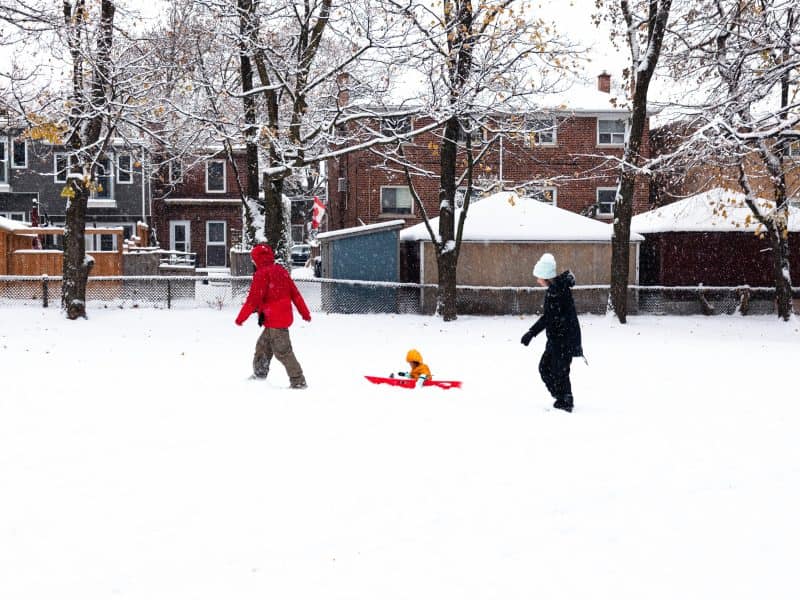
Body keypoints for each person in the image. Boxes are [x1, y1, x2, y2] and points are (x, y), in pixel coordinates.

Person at [235, 243, 311, 388]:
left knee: (283, 352)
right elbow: (295, 295)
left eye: (253, 259)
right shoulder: (281, 271)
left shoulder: (261, 274)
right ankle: (260, 375)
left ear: (257, 259)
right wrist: (304, 313)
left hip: (276, 321)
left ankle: (298, 381)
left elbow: (252, 301)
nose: (253, 262)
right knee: (263, 347)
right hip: (274, 320)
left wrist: (241, 318)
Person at [520, 253, 583, 412]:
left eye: (539, 277)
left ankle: (565, 400)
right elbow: (550, 317)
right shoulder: (555, 289)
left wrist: (531, 333)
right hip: (557, 339)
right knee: (546, 368)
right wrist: (532, 332)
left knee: (559, 371)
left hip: (564, 340)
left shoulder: (557, 292)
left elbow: (548, 317)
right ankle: (561, 397)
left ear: (546, 276)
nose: (537, 280)